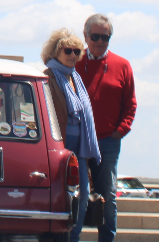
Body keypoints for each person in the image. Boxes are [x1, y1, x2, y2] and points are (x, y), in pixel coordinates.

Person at [75, 13, 137, 242]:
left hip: (108, 141)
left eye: (106, 37)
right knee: (74, 193)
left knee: (108, 194)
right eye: (96, 36)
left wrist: (120, 131)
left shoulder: (122, 65)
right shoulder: (74, 61)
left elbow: (130, 104)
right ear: (86, 36)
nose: (100, 41)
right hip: (77, 139)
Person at [42, 28, 100, 242]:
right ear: (55, 52)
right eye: (68, 50)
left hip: (81, 146)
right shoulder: (47, 77)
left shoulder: (76, 78)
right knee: (62, 196)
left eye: (77, 51)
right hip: (60, 146)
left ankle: (74, 237)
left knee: (83, 194)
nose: (73, 55)